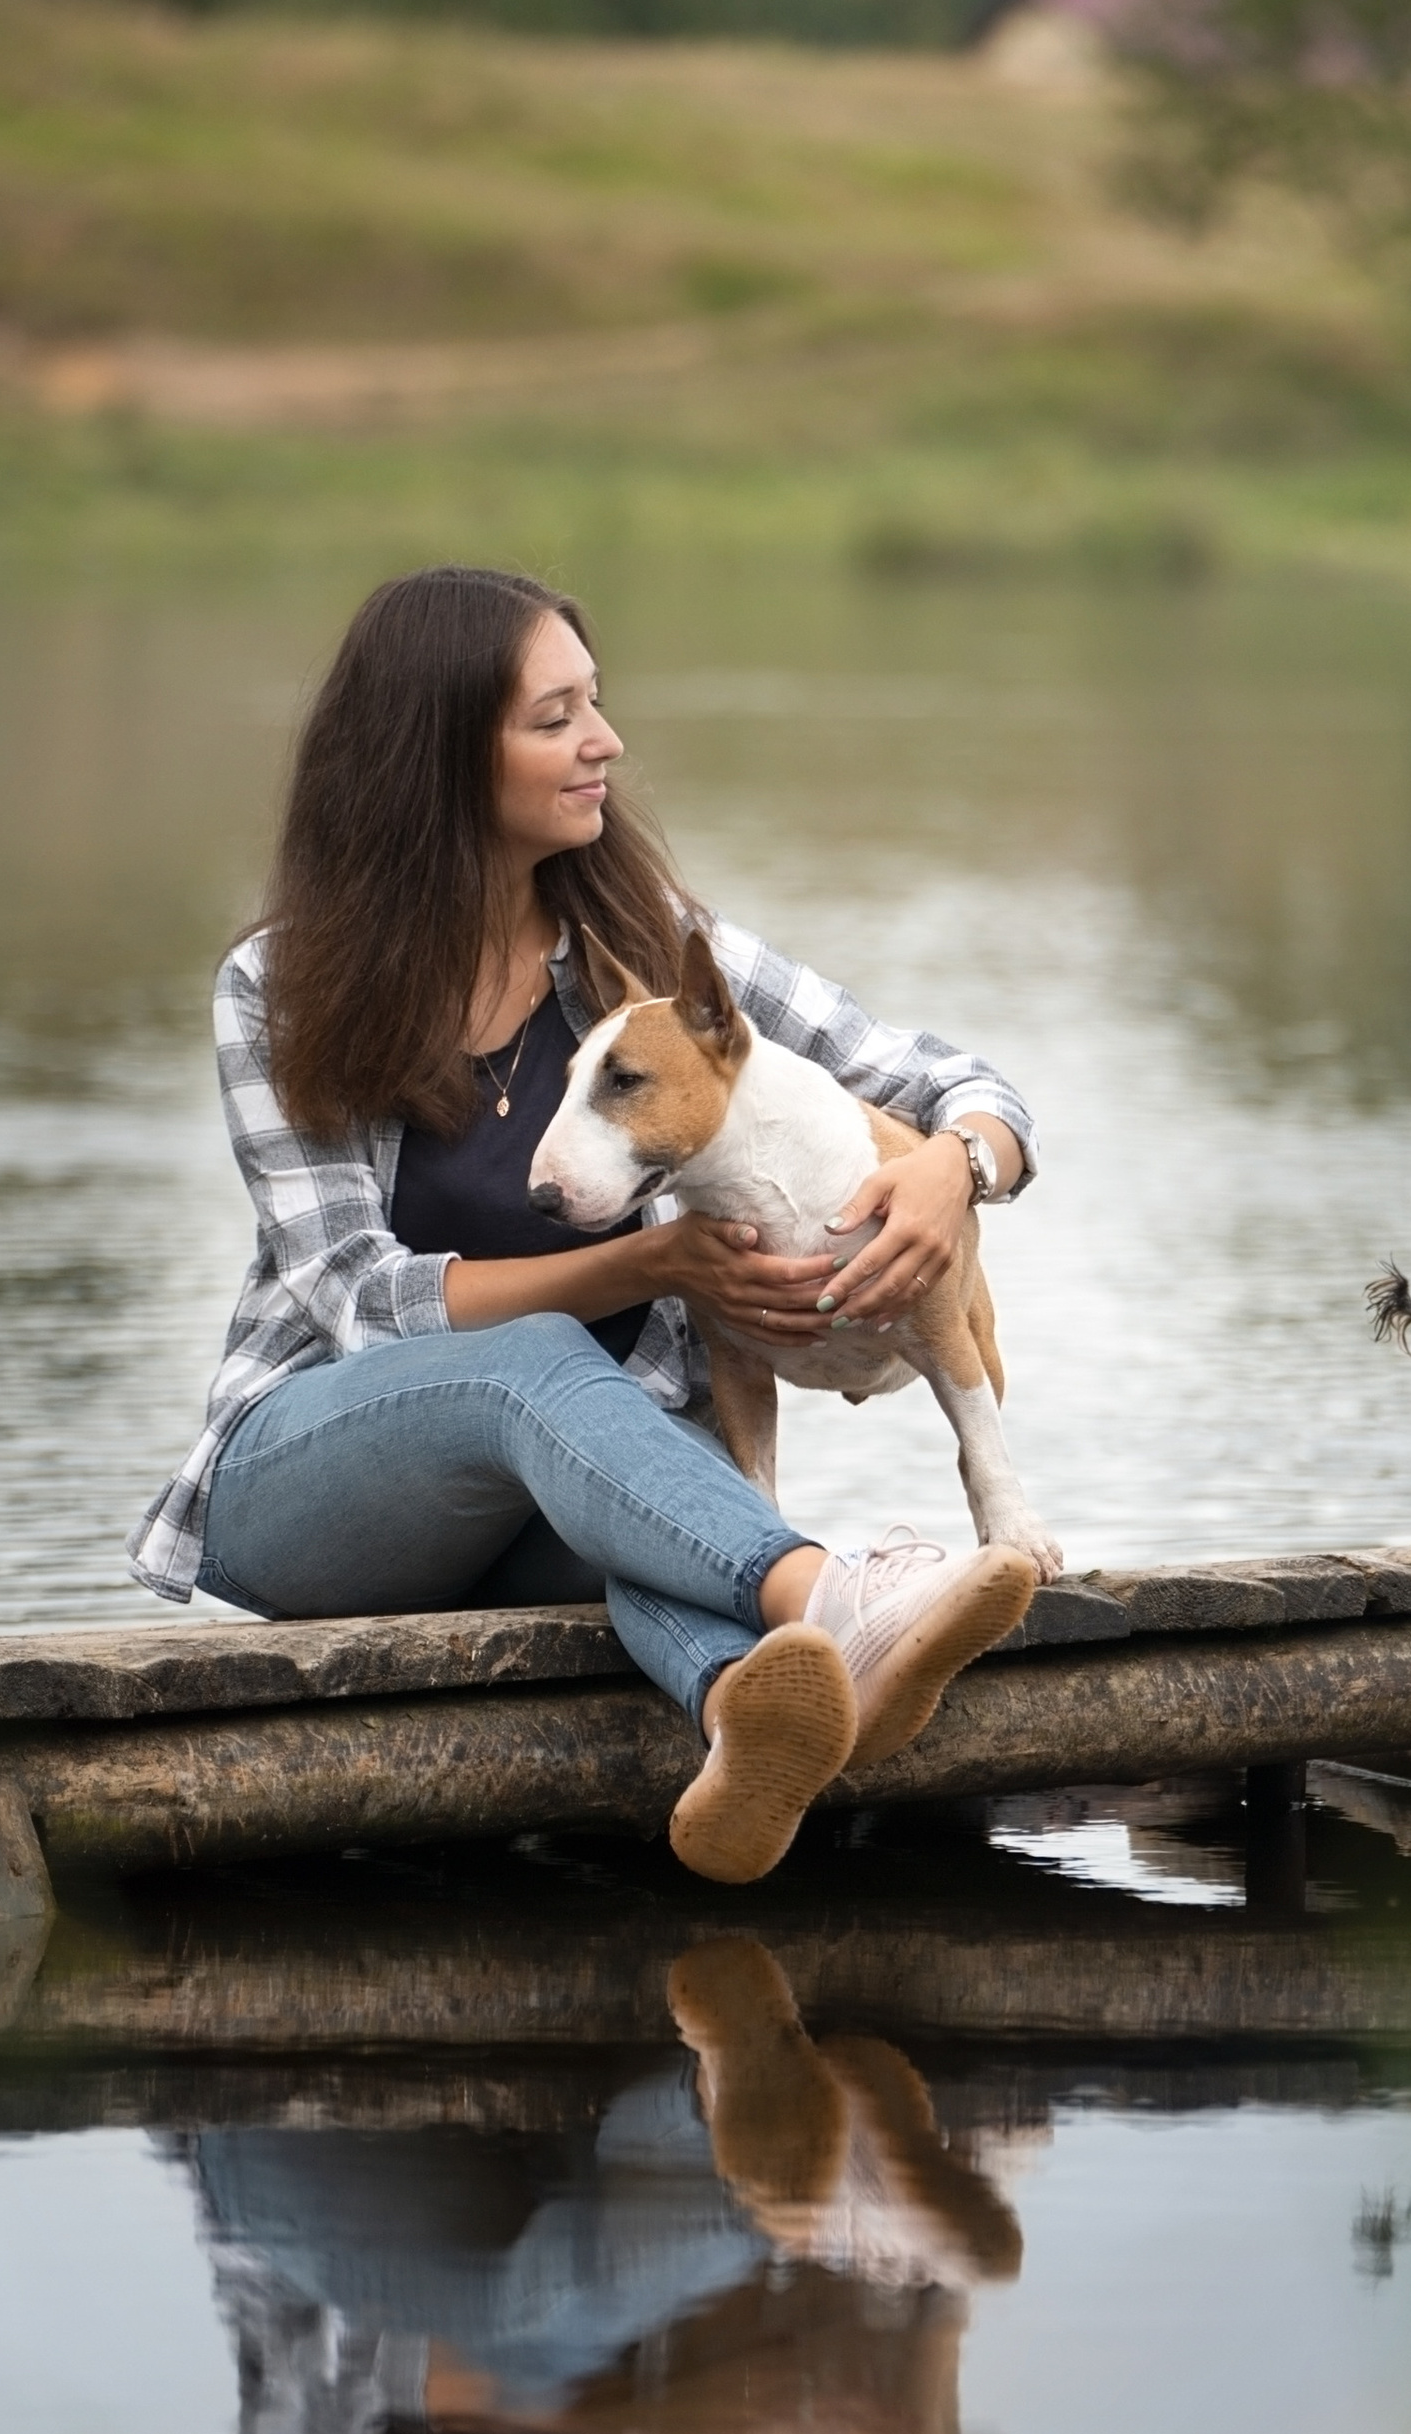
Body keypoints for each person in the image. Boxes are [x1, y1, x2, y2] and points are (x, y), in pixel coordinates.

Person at [131, 564, 1043, 1882]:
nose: (603, 741)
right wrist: (648, 1261)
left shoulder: (646, 953)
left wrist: (957, 1166)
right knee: (545, 1368)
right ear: (438, 756)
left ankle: (746, 1719)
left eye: (596, 704)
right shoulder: (280, 982)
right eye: (556, 717)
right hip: (312, 1485)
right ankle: (831, 1600)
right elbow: (361, 1299)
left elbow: (958, 1080)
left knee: (658, 1483)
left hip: (561, 1494)